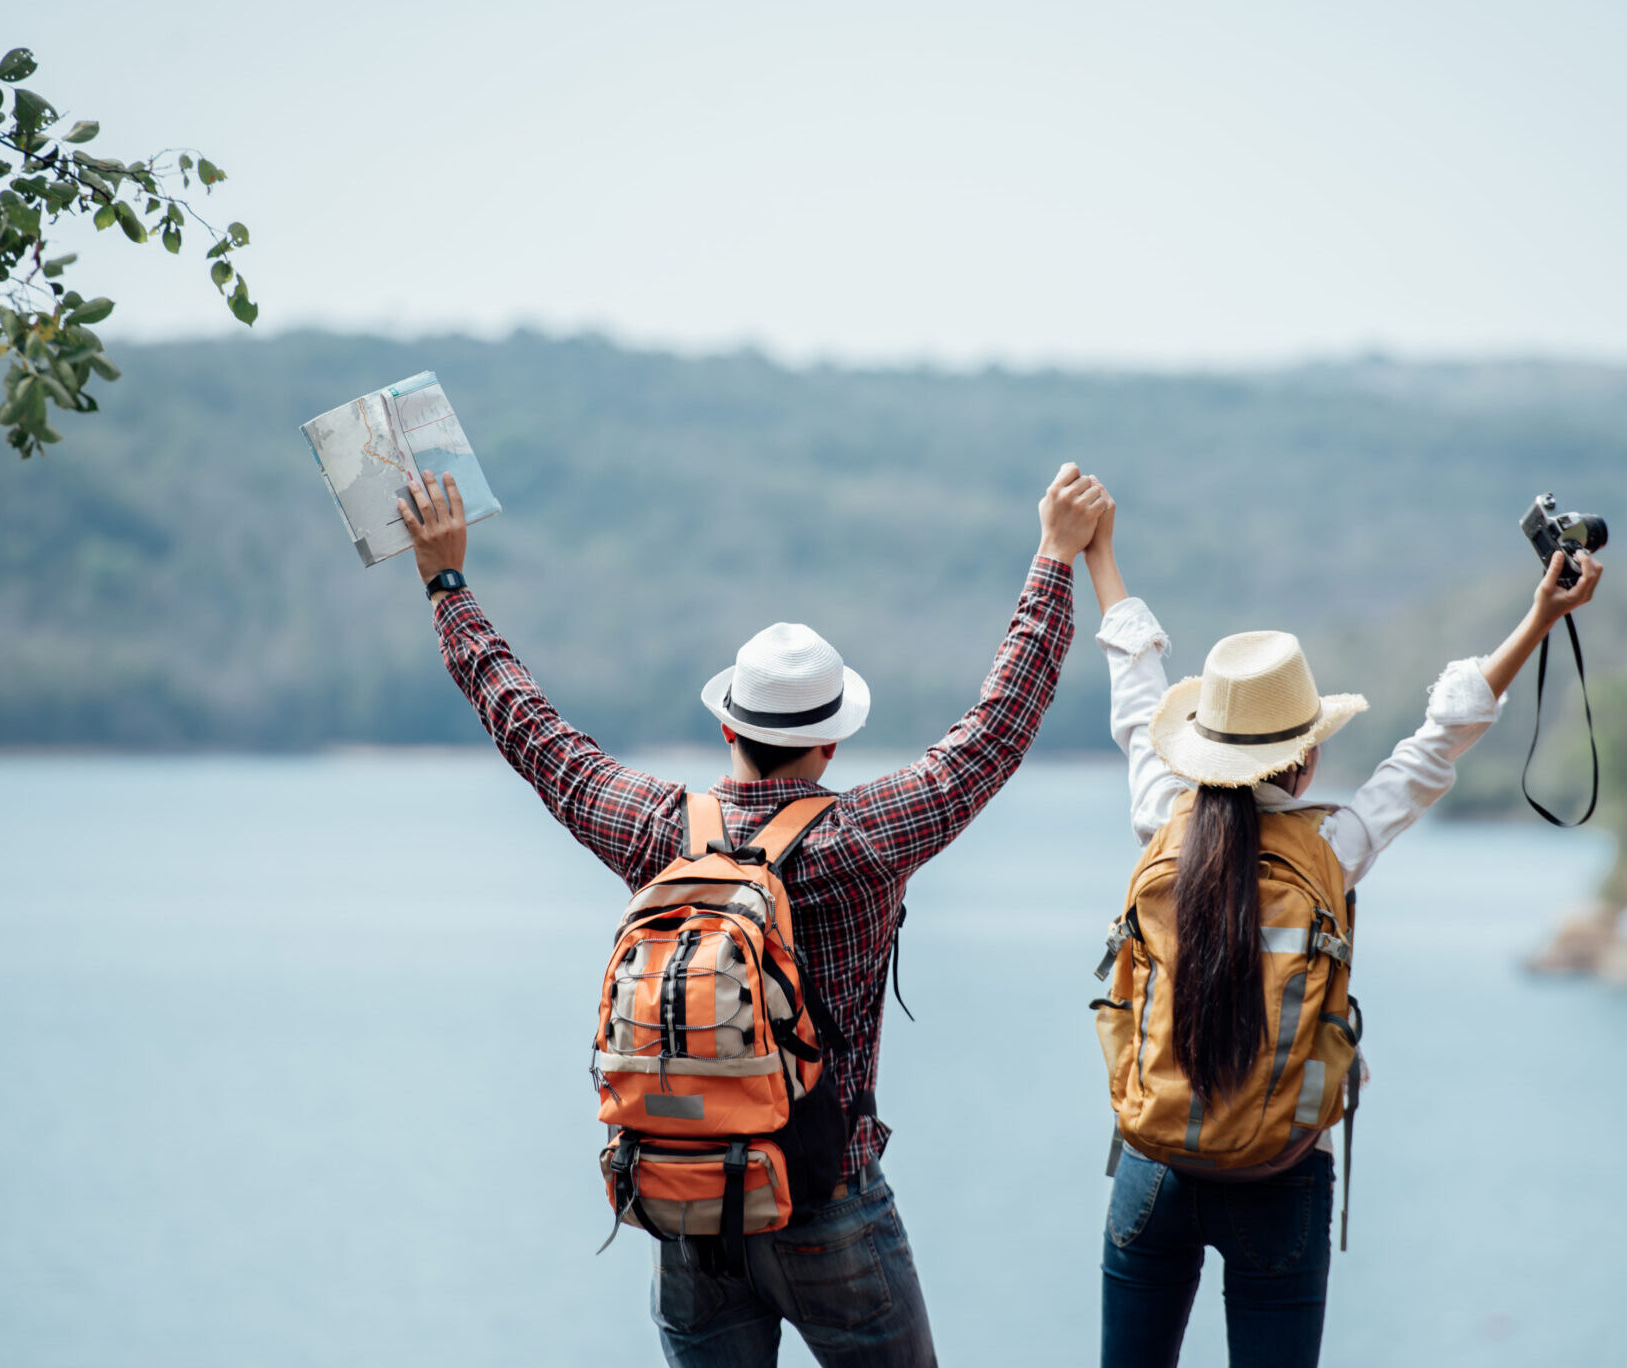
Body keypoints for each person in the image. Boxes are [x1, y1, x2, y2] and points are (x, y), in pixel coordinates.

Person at [395, 463, 1109, 1368]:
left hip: (688, 1201)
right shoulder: (860, 840)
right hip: (827, 1202)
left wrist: (446, 583)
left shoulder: (659, 831)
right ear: (831, 739)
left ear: (728, 729)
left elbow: (532, 731)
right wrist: (1054, 556)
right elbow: (997, 727)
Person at [1079, 494, 1603, 1368]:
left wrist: (1100, 556)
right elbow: (1437, 746)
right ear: (1307, 755)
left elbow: (1135, 693)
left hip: (1155, 1161)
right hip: (1281, 1173)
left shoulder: (1162, 819)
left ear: (1203, 747)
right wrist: (1542, 616)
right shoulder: (1331, 846)